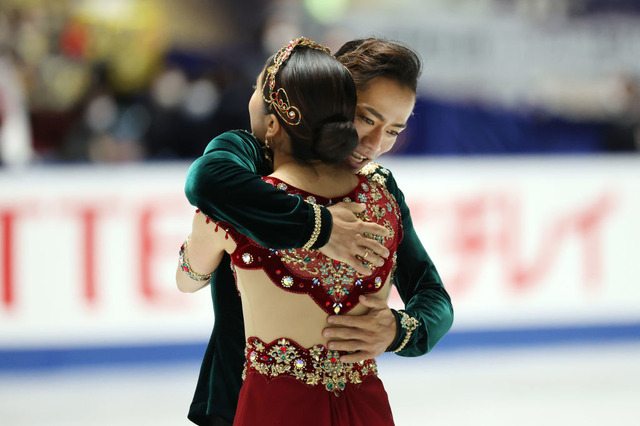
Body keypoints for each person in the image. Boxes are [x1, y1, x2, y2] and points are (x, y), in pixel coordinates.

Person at [183, 38, 454, 426]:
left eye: (393, 130)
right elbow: (205, 182)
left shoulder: (378, 188)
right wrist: (320, 227)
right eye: (366, 118)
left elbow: (432, 294)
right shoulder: (257, 153)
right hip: (241, 396)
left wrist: (399, 331)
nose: (376, 145)